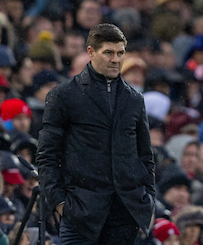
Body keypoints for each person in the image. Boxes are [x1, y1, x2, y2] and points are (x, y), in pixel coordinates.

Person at [36, 23, 156, 244]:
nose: (116, 59)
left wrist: (147, 198)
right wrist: (60, 204)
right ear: (91, 52)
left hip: (124, 214)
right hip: (80, 213)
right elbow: (47, 156)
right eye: (108, 52)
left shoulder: (135, 100)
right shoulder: (63, 96)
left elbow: (145, 156)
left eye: (120, 53)